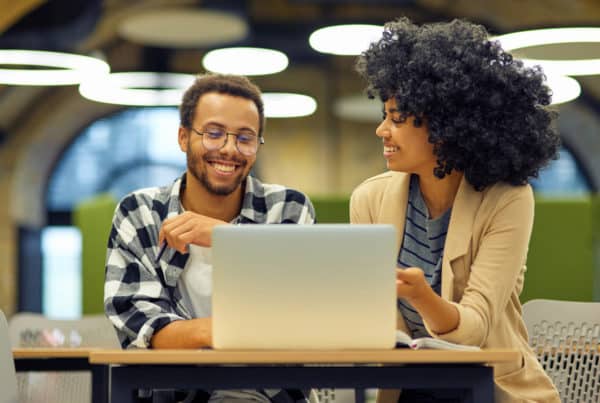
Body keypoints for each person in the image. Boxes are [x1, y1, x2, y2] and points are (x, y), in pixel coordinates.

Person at [350, 18, 561, 403]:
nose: (382, 130)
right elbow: (383, 330)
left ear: (445, 127)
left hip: (490, 389)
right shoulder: (369, 200)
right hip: (407, 391)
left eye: (396, 118)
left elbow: (474, 329)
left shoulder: (507, 199)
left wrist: (420, 296)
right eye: (385, 115)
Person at [104, 73, 315, 403]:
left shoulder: (288, 207)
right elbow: (141, 326)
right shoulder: (141, 213)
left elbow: (305, 311)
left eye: (245, 138)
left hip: (274, 396)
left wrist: (225, 237)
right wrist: (233, 331)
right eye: (214, 134)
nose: (229, 149)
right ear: (184, 137)